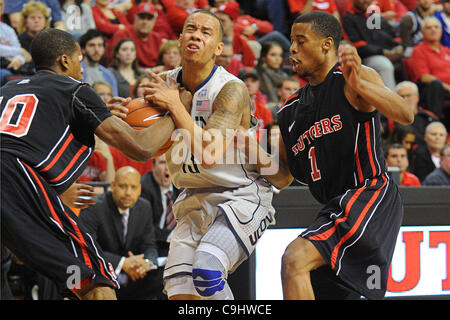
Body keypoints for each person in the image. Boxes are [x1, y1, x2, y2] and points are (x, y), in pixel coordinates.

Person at [0, 28, 180, 300]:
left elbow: (28, 136)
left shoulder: (7, 89)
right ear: (64, 61)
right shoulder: (73, 88)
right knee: (93, 280)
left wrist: (102, 117)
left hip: (15, 188)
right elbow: (143, 148)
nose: (82, 69)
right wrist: (177, 108)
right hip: (17, 181)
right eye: (79, 60)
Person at [244, 11, 413, 300]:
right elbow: (283, 177)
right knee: (312, 282)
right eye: (291, 42)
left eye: (300, 41)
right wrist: (245, 146)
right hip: (334, 206)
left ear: (326, 44)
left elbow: (406, 114)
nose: (292, 49)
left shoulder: (350, 78)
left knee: (294, 259)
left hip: (369, 194)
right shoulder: (289, 110)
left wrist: (361, 86)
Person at [141, 9, 275, 300]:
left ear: (218, 48)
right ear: (178, 39)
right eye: (190, 29)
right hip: (192, 195)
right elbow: (142, 146)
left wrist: (176, 106)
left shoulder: (231, 89)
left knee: (207, 270)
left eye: (205, 32)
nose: (196, 35)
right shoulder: (162, 83)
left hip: (240, 194)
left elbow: (210, 154)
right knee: (181, 296)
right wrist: (117, 119)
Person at [78, 166, 162, 300]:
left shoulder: (144, 207)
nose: (128, 193)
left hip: (134, 276)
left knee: (164, 274)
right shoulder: (94, 206)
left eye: (133, 187)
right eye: (123, 186)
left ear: (139, 189)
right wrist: (123, 263)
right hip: (105, 275)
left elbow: (149, 245)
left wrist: (146, 263)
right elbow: (87, 250)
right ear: (112, 186)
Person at [342, 0, 404, 91]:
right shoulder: (349, 18)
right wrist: (383, 52)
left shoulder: (375, 16)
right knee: (384, 65)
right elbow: (357, 45)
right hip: (365, 58)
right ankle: (390, 101)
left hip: (387, 53)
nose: (366, 1)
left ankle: (408, 95)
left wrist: (399, 46)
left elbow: (392, 36)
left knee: (409, 56)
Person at [408, 16, 450, 123]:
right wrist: (447, 87)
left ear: (441, 31)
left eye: (436, 27)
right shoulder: (418, 50)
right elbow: (425, 77)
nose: (433, 30)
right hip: (431, 91)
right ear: (422, 32)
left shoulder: (447, 50)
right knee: (435, 85)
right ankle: (435, 122)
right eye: (429, 28)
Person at [111, 2, 165, 69]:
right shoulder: (122, 35)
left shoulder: (157, 38)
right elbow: (115, 63)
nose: (145, 22)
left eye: (149, 19)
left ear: (154, 21)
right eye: (142, 18)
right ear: (135, 18)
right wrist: (152, 71)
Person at [395, 81, 440, 147]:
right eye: (401, 96)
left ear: (417, 97)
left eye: (408, 95)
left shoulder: (429, 117)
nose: (405, 99)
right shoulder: (391, 118)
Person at [0, 0, 32, 85]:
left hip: (9, 66)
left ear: (3, 8)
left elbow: (23, 55)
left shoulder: (8, 29)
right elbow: (20, 51)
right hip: (2, 69)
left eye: (0, 5)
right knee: (3, 74)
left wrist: (19, 60)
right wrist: (19, 51)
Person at [79, 29, 118, 96]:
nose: (96, 50)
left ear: (104, 49)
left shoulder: (109, 75)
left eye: (100, 45)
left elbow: (115, 100)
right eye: (91, 45)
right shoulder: (76, 71)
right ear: (83, 49)